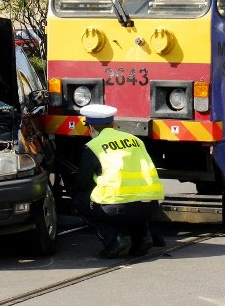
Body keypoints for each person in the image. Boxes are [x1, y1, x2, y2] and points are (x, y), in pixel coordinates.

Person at [70, 104, 165, 258]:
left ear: (91, 128)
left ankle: (114, 240)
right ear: (113, 124)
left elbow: (82, 182)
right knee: (135, 200)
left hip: (116, 209)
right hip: (150, 207)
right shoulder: (136, 140)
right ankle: (142, 238)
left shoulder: (93, 146)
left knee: (80, 199)